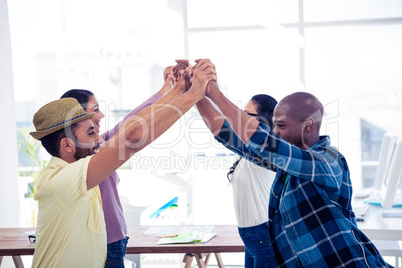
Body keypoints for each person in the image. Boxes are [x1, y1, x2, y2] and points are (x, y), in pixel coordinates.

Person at [30, 59, 216, 267]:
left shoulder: (79, 162)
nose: (99, 138)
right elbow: (131, 137)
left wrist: (177, 89)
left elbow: (129, 127)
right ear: (67, 145)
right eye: (91, 132)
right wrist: (193, 93)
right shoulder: (62, 180)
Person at [201, 83, 388, 267]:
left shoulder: (329, 159)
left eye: (281, 125)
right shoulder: (288, 166)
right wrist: (198, 94)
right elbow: (228, 136)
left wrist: (215, 93)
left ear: (308, 125)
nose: (276, 132)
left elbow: (267, 143)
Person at [59, 66, 175, 267]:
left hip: (116, 241)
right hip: (103, 246)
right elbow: (131, 133)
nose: (101, 114)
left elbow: (131, 121)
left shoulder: (99, 144)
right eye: (95, 110)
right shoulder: (83, 156)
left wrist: (166, 90)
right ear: (77, 117)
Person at [196, 93, 277, 268]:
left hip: (265, 235)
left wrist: (197, 93)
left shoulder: (267, 152)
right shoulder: (246, 155)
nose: (239, 118)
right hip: (250, 236)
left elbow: (221, 130)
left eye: (246, 115)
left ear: (264, 122)